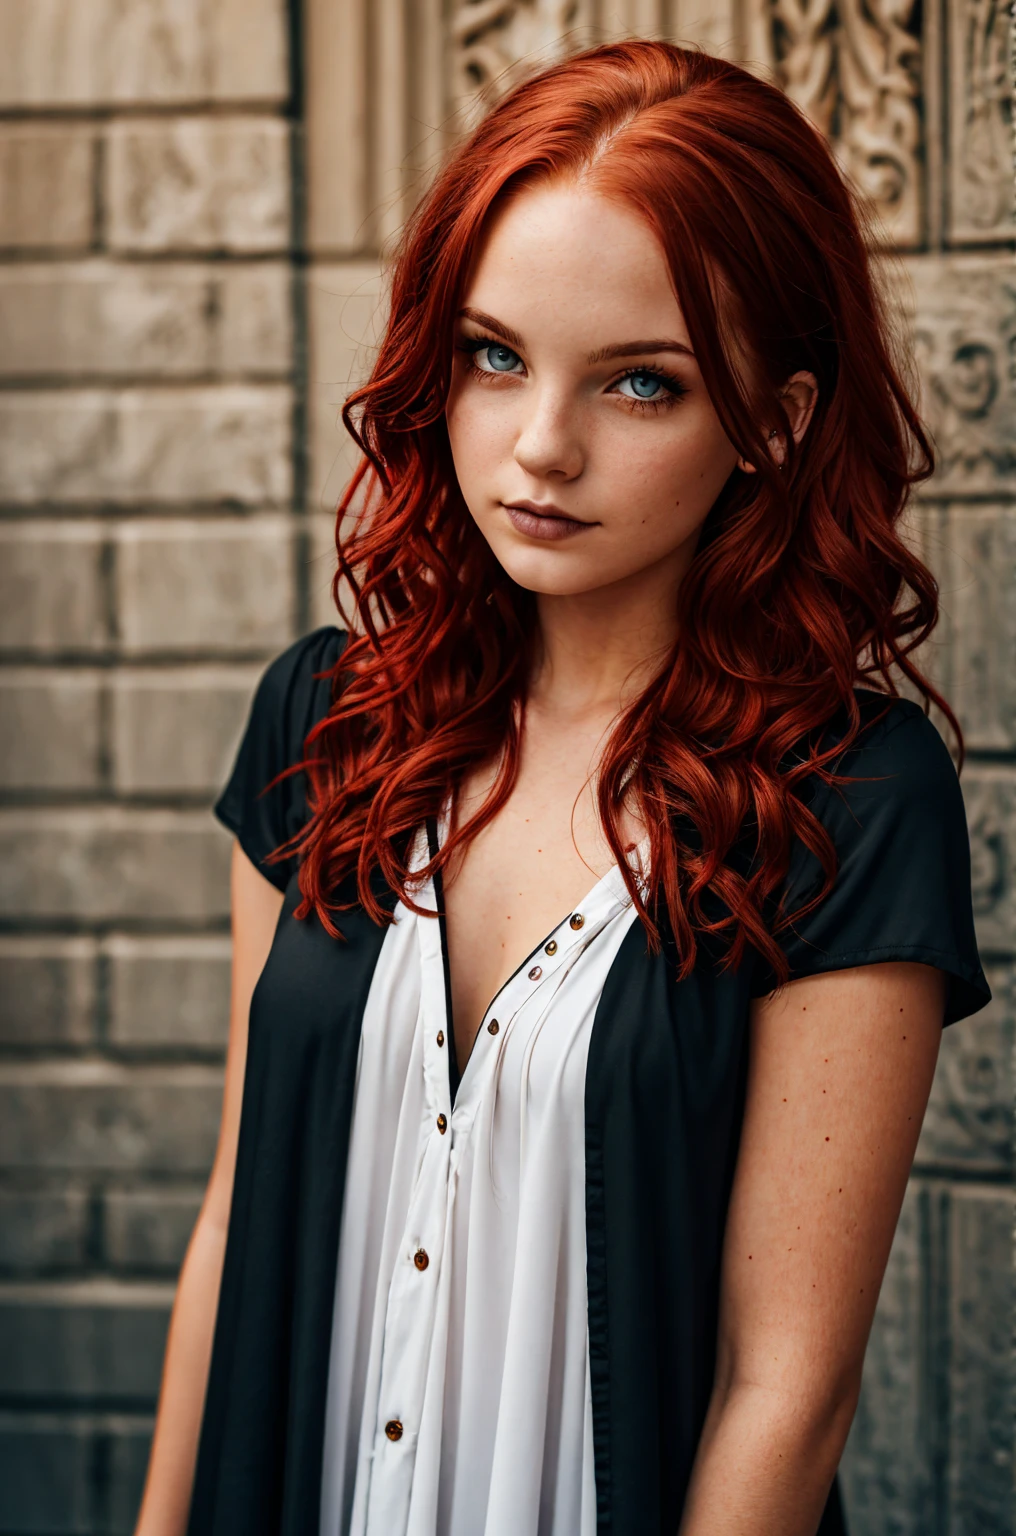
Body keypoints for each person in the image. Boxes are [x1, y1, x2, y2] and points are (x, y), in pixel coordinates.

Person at [134, 39, 989, 1536]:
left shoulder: (849, 800)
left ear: (773, 423)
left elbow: (784, 1392)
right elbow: (232, 1223)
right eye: (493, 356)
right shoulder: (322, 726)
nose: (541, 445)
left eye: (640, 384)